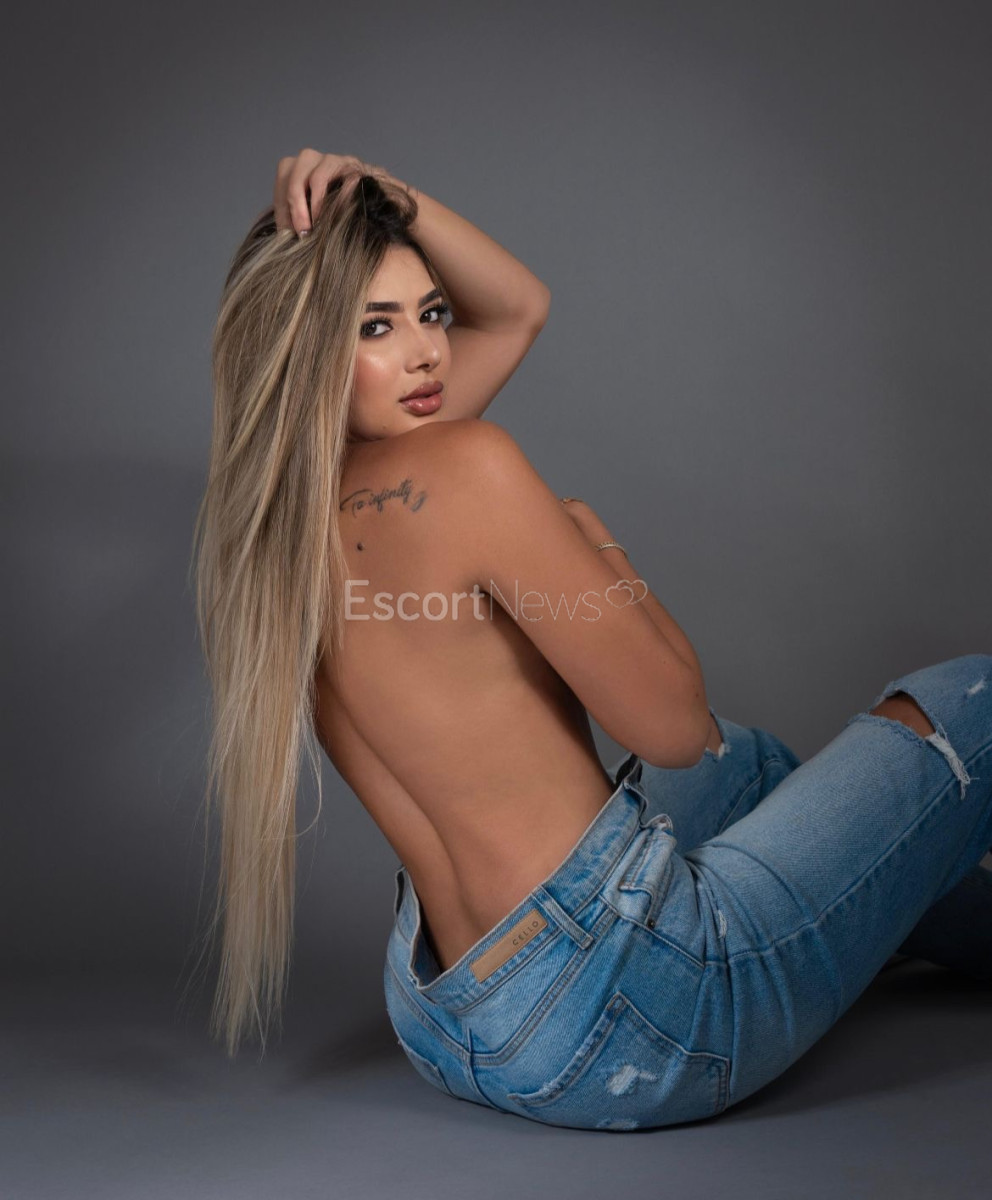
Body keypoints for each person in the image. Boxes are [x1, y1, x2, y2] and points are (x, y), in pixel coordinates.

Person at [190, 149, 992, 1131]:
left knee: (743, 770)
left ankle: (912, 915)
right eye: (375, 327)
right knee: (971, 705)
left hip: (454, 1023)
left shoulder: (265, 530)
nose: (429, 352)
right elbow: (673, 729)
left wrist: (381, 197)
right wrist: (594, 542)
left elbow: (514, 309)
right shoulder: (464, 466)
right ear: (306, 349)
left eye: (430, 313)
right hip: (625, 1019)